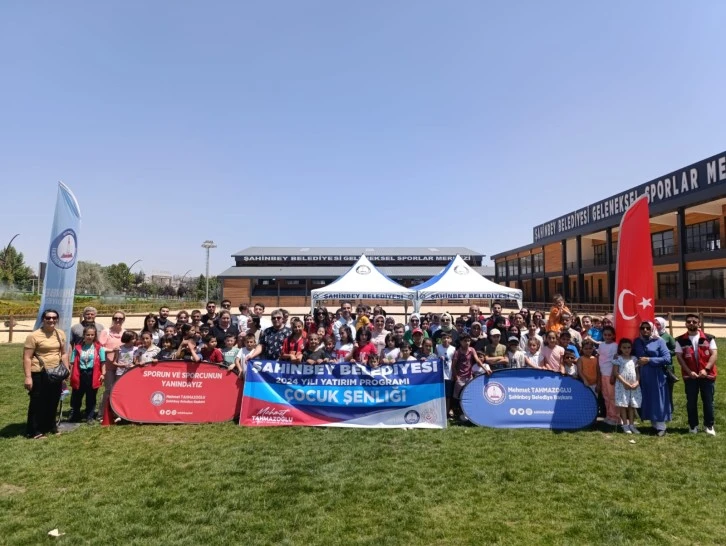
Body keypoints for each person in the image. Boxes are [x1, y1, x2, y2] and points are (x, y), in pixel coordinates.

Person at [23, 309, 68, 438]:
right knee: (37, 402)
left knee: (53, 400)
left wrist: (66, 371)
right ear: (43, 319)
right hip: (39, 372)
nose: (51, 320)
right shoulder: (34, 336)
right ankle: (34, 430)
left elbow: (64, 353)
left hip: (56, 372)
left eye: (54, 318)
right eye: (48, 318)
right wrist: (28, 377)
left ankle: (50, 426)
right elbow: (27, 357)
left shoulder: (60, 333)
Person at [675, 314, 718, 435]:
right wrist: (689, 372)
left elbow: (714, 354)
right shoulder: (680, 340)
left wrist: (706, 369)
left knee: (708, 401)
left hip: (707, 375)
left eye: (694, 321)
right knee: (691, 402)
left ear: (699, 323)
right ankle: (693, 426)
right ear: (685, 324)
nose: (691, 323)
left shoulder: (709, 338)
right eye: (689, 321)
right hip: (690, 376)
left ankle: (709, 426)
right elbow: (679, 358)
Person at [633, 321, 672, 436]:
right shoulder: (637, 342)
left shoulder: (659, 341)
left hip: (656, 375)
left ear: (652, 329)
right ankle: (654, 423)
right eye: (642, 328)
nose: (645, 330)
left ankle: (661, 426)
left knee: (657, 399)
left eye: (648, 328)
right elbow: (632, 354)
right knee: (647, 398)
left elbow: (667, 358)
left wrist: (649, 360)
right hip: (642, 375)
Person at [69, 325, 106, 424]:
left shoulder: (99, 348)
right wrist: (71, 374)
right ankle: (75, 415)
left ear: (95, 336)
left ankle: (89, 416)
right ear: (84, 335)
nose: (90, 337)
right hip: (79, 374)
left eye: (92, 335)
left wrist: (103, 374)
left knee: (91, 397)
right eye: (88, 334)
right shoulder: (77, 348)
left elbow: (103, 362)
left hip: (92, 374)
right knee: (77, 396)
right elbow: (72, 362)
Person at [452, 334, 490, 421]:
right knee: (458, 396)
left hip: (469, 377)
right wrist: (456, 376)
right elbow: (453, 366)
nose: (467, 343)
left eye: (468, 341)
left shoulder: (472, 350)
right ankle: (458, 413)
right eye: (465, 341)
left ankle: (469, 413)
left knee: (469, 395)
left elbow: (477, 360)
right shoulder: (457, 352)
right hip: (460, 377)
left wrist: (485, 369)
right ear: (461, 342)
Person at [98, 310, 126, 421]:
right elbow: (100, 348)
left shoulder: (125, 333)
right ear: (112, 319)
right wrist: (112, 350)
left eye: (120, 318)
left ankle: (117, 413)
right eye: (115, 318)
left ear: (123, 320)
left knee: (119, 390)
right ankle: (102, 414)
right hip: (108, 365)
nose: (118, 320)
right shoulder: (106, 332)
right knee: (108, 390)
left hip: (121, 366)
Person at [613, 338, 642, 434]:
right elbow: (616, 372)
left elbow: (637, 372)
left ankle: (632, 425)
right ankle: (625, 425)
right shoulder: (618, 359)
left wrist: (637, 382)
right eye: (624, 347)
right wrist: (625, 383)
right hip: (622, 386)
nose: (627, 349)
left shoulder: (634, 359)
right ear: (620, 348)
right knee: (623, 405)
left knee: (631, 405)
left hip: (633, 386)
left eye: (629, 347)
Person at [598, 326, 619, 426]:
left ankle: (615, 418)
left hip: (610, 374)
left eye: (609, 335)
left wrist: (613, 375)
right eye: (605, 335)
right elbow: (600, 359)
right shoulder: (601, 345)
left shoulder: (615, 346)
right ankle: (609, 415)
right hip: (603, 374)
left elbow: (615, 361)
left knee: (612, 397)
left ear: (613, 335)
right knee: (606, 396)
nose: (607, 337)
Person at [436, 331, 456, 417]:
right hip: (440, 374)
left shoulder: (453, 349)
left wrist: (454, 374)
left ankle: (447, 412)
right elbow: (434, 358)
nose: (446, 339)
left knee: (448, 395)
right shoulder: (437, 347)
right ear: (441, 339)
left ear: (451, 339)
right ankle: (439, 411)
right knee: (440, 395)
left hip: (449, 374)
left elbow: (454, 362)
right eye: (444, 338)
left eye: (448, 338)